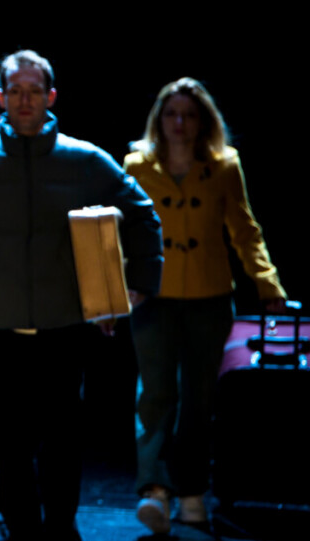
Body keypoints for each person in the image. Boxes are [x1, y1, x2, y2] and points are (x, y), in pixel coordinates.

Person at [0, 50, 163, 541]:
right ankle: (22, 530)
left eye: (34, 91)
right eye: (15, 91)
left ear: (51, 96)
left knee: (62, 440)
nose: (24, 100)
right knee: (11, 443)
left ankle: (60, 527)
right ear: (1, 97)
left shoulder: (83, 160)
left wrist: (137, 286)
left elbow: (142, 215)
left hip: (64, 328)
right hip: (0, 327)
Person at [124, 77, 286, 533]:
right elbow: (124, 231)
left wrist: (267, 283)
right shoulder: (137, 164)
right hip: (153, 296)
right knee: (155, 395)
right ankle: (154, 490)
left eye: (189, 115)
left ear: (203, 122)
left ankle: (192, 490)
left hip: (208, 298)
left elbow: (245, 230)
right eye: (172, 114)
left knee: (198, 399)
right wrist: (121, 287)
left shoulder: (224, 165)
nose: (180, 123)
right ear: (159, 119)